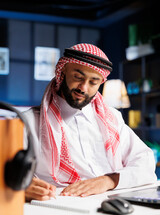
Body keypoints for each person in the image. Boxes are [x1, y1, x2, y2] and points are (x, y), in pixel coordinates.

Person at [24, 43, 157, 201]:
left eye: (93, 82)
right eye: (78, 77)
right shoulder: (28, 121)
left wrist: (108, 180)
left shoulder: (112, 118)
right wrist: (21, 187)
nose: (83, 88)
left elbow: (146, 161)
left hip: (111, 203)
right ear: (63, 71)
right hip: (57, 206)